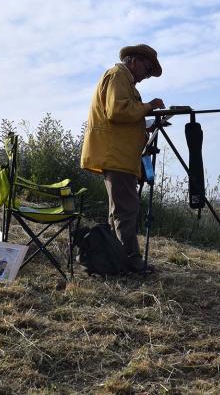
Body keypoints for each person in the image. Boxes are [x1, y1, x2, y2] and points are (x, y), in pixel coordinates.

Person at [81, 44, 165, 273]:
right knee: (126, 210)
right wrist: (148, 107)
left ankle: (114, 260)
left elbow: (124, 115)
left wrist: (143, 124)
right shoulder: (118, 76)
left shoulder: (123, 80)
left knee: (119, 210)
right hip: (116, 156)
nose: (146, 77)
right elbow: (117, 111)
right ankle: (131, 262)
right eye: (147, 70)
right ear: (135, 61)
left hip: (120, 156)